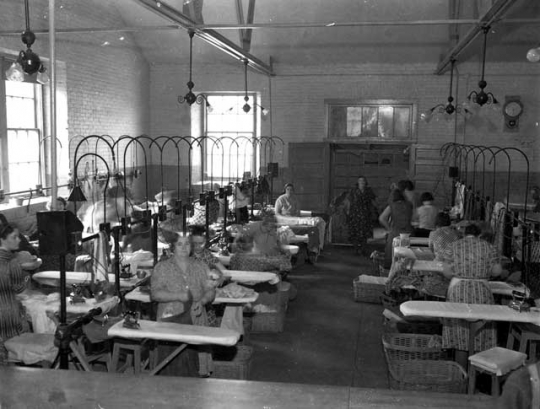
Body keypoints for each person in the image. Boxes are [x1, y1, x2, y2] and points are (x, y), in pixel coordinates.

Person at [151, 232, 216, 377]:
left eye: (187, 244)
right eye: (179, 244)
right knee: (171, 365)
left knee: (196, 367)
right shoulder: (162, 267)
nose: (183, 247)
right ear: (172, 247)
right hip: (170, 318)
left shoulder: (201, 266)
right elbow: (155, 294)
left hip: (196, 317)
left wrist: (203, 301)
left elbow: (210, 291)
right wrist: (178, 296)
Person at [441, 223, 503, 369]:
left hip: (458, 291)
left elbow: (447, 273)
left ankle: (460, 373)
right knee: (481, 332)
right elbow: (496, 271)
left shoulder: (453, 246)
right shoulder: (489, 247)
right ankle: (480, 372)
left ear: (464, 234)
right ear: (479, 234)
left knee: (460, 333)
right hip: (481, 291)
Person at [0, 224, 30, 363]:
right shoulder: (12, 262)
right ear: (2, 239)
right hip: (7, 314)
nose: (19, 240)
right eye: (14, 237)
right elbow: (21, 291)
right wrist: (27, 276)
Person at [379, 189, 414, 269]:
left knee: (391, 256)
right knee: (406, 257)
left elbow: (382, 218)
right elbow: (413, 217)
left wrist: (389, 228)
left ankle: (390, 274)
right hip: (408, 233)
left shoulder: (391, 206)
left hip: (395, 233)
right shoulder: (409, 205)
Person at [344, 176, 377, 256]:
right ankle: (356, 249)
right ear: (358, 182)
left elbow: (373, 201)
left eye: (363, 181)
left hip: (366, 214)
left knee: (364, 233)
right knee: (354, 233)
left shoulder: (369, 191)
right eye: (360, 181)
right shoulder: (353, 191)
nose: (362, 183)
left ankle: (363, 250)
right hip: (355, 214)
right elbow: (348, 201)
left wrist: (375, 211)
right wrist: (348, 211)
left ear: (366, 183)